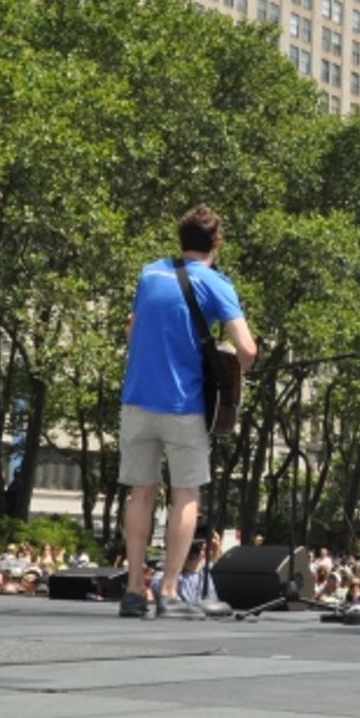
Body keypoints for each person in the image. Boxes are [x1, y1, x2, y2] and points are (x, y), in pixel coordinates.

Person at [118, 205, 257, 620]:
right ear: (217, 243)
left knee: (140, 493)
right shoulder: (216, 284)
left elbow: (131, 328)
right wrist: (228, 361)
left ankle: (132, 590)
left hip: (137, 398)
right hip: (182, 404)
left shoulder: (149, 273)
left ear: (180, 239)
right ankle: (171, 590)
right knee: (185, 495)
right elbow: (246, 349)